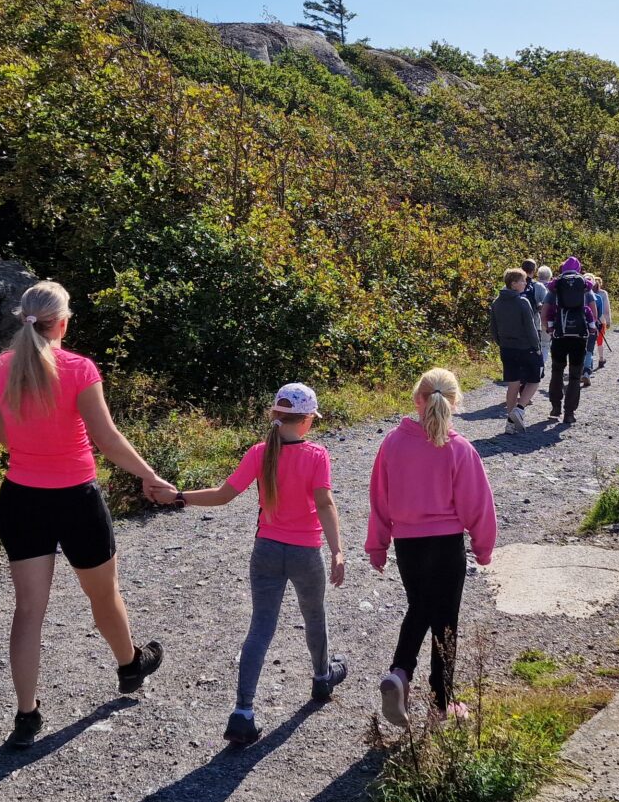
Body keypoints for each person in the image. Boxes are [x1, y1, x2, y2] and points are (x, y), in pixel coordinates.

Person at [0, 280, 179, 750]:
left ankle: (27, 715)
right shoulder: (79, 369)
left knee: (28, 611)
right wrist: (150, 476)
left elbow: (4, 437)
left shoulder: (2, 369)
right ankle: (129, 665)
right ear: (65, 322)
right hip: (75, 498)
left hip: (20, 498)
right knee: (102, 594)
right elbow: (107, 440)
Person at [177, 384, 348, 746]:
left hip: (266, 550)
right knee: (314, 616)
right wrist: (337, 551)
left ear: (275, 415)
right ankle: (321, 678)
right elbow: (325, 505)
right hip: (305, 553)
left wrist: (180, 496)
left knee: (261, 627)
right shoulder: (317, 456)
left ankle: (243, 712)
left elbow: (223, 495)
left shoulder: (259, 452)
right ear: (305, 421)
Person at [366, 369, 497, 726]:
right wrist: (483, 548)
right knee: (445, 622)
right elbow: (478, 504)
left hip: (408, 545)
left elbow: (379, 497)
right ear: (454, 404)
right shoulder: (459, 448)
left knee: (420, 607)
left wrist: (378, 546)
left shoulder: (392, 443)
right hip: (446, 545)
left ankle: (401, 673)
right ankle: (441, 704)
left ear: (416, 399)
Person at [489, 269, 543, 433]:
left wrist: (502, 342)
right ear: (513, 283)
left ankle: (510, 424)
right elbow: (530, 328)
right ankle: (519, 409)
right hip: (526, 348)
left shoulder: (496, 303)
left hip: (507, 348)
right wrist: (537, 347)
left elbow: (493, 329)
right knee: (535, 380)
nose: (525, 283)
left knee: (513, 384)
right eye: (522, 281)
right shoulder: (522, 302)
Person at [542, 257, 595, 424]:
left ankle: (555, 407)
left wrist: (549, 328)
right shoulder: (584, 285)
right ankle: (569, 413)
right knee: (574, 375)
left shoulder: (556, 286)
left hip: (560, 334)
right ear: (579, 269)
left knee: (557, 371)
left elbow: (544, 311)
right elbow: (593, 310)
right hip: (579, 336)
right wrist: (592, 327)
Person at [534, 264, 555, 365]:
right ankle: (541, 366)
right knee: (545, 344)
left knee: (534, 344)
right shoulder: (553, 288)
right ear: (550, 276)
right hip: (547, 319)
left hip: (534, 319)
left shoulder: (532, 286)